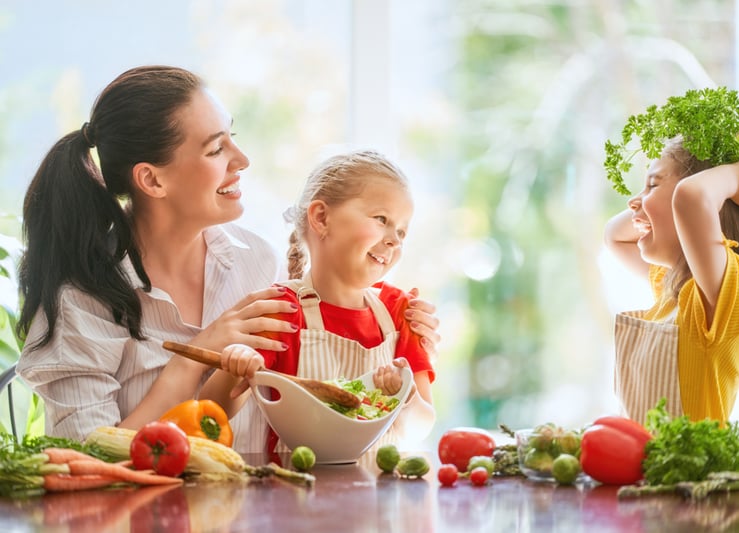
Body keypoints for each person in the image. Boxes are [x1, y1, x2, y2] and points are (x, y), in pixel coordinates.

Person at [14, 66, 440, 453]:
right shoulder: (80, 297)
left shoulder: (256, 262)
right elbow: (88, 463)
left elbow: (310, 399)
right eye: (216, 149)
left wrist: (404, 352)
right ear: (152, 179)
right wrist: (189, 360)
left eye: (232, 137)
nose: (242, 160)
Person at [199, 150, 436, 452]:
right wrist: (236, 366)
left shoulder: (401, 312)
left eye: (402, 231)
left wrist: (406, 397)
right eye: (381, 219)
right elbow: (210, 411)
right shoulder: (281, 310)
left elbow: (421, 427)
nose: (395, 240)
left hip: (383, 495)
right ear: (321, 217)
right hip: (296, 491)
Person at [604, 133, 739, 425]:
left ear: (714, 209)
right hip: (642, 468)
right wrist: (652, 201)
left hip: (686, 472)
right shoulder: (678, 291)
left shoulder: (726, 300)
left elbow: (690, 197)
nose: (633, 202)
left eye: (653, 184)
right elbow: (615, 237)